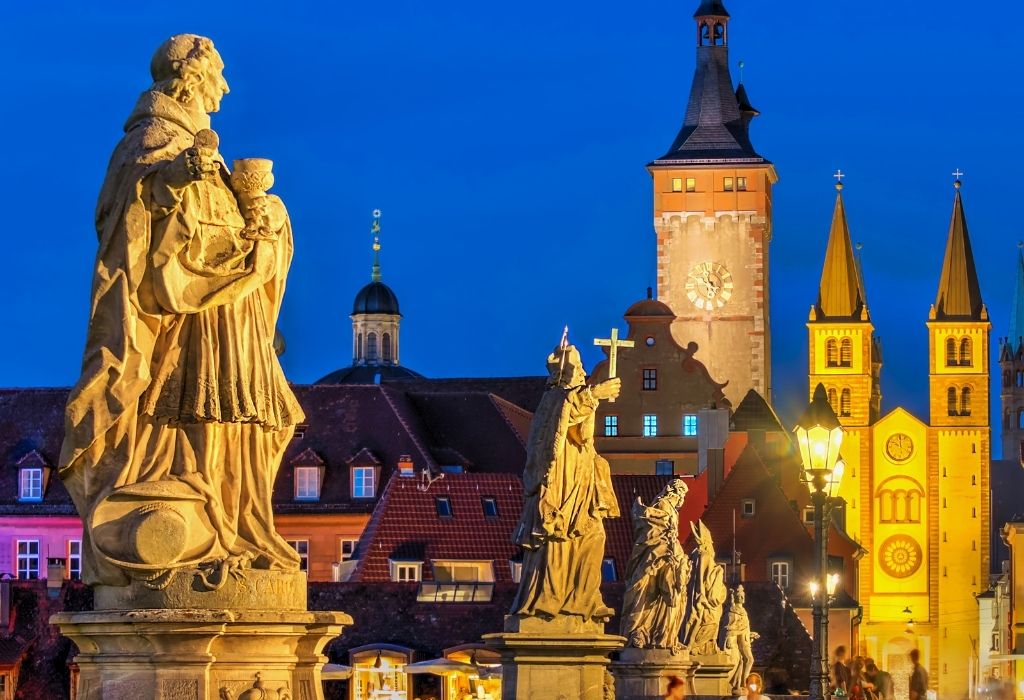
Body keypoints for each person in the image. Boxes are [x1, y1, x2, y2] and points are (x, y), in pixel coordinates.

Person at [60, 34, 302, 586]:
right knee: (190, 416)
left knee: (238, 422)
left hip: (224, 312)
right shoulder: (153, 139)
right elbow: (133, 212)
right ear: (189, 78)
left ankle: (234, 520)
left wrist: (261, 215)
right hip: (182, 319)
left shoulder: (201, 149)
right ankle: (199, 512)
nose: (226, 87)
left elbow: (219, 234)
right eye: (218, 74)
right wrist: (178, 174)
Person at [510, 342, 621, 622]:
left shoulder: (569, 397)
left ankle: (583, 598)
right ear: (565, 373)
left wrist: (592, 397)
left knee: (595, 536)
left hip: (581, 481)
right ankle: (551, 599)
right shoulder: (554, 399)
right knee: (558, 540)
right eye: (579, 367)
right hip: (562, 484)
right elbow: (567, 413)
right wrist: (595, 394)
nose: (584, 372)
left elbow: (581, 431)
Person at [620, 479, 690, 649]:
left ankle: (664, 635)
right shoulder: (663, 504)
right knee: (644, 592)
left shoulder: (673, 510)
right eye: (683, 494)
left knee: (671, 594)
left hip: (667, 554)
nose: (683, 498)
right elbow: (651, 530)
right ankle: (639, 631)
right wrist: (668, 543)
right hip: (654, 555)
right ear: (676, 492)